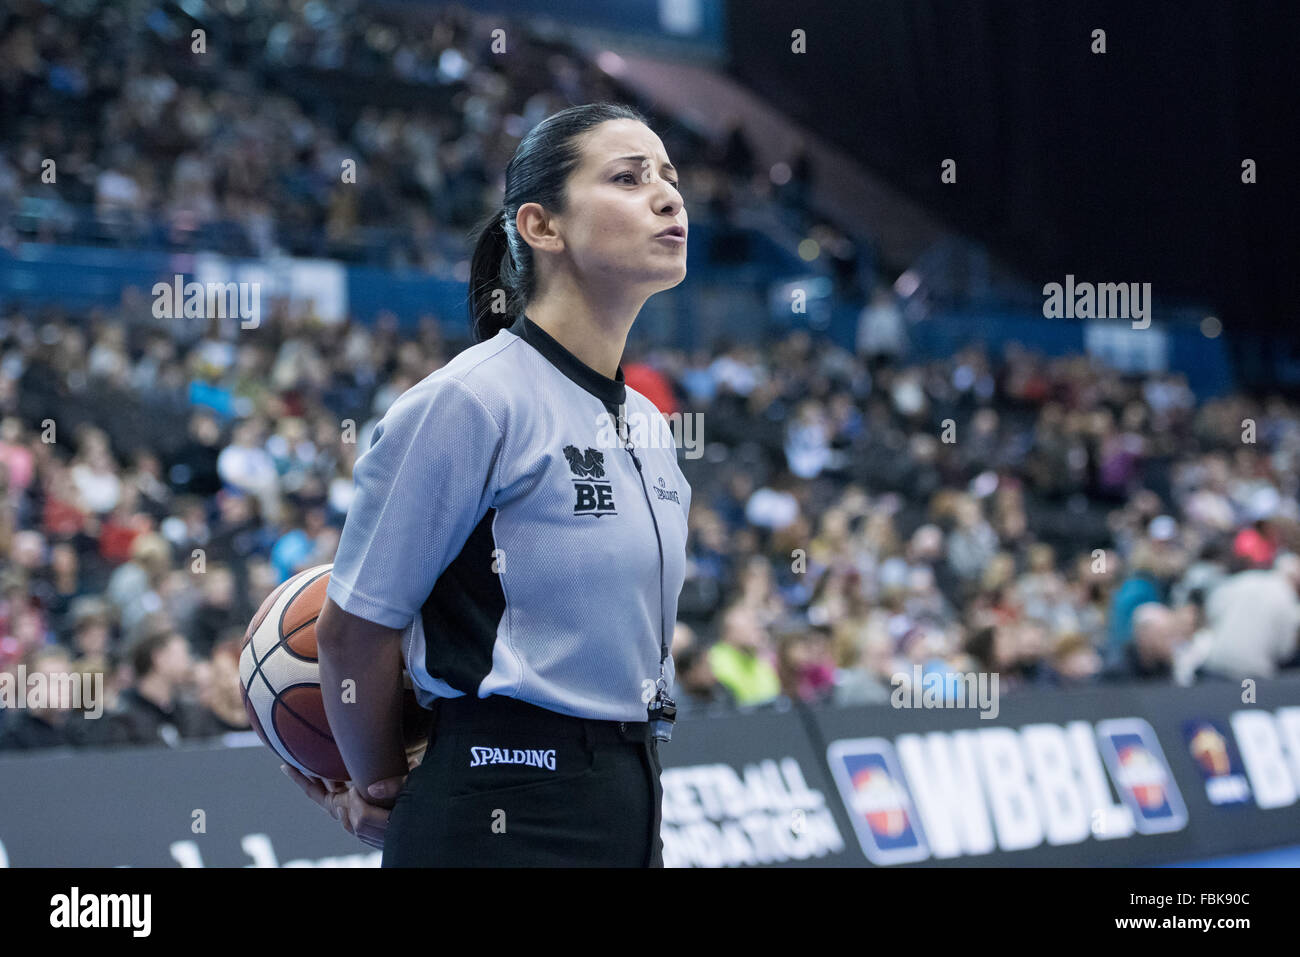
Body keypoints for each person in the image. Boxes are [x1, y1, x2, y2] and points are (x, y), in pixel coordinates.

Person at [285, 103, 692, 867]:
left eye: (670, 176)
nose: (669, 196)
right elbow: (352, 630)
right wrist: (378, 788)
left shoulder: (649, 421)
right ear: (542, 226)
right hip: (500, 802)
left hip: (631, 794)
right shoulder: (470, 400)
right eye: (629, 177)